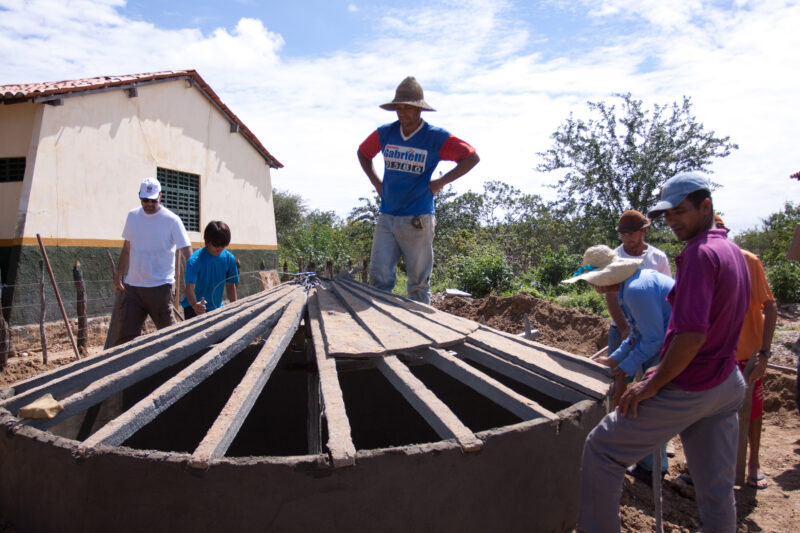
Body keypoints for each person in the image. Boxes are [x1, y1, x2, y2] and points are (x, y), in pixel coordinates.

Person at [577, 173, 750, 532]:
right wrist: (619, 362)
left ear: (706, 206)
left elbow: (687, 336)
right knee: (716, 491)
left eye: (680, 211)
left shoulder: (698, 255)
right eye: (666, 214)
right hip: (726, 381)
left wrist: (651, 384)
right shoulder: (729, 249)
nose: (671, 220)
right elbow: (642, 335)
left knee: (602, 449)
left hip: (693, 382)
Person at [357, 76, 479, 304]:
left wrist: (440, 183)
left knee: (418, 283)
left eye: (408, 107)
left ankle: (421, 332)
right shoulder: (386, 133)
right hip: (387, 216)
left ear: (419, 109)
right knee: (379, 278)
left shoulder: (434, 137)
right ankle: (381, 327)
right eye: (399, 107)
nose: (402, 112)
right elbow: (363, 152)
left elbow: (471, 157)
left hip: (418, 218)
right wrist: (376, 182)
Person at [564, 244, 674, 486]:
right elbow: (635, 332)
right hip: (665, 341)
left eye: (593, 281)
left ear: (605, 277)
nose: (592, 287)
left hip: (674, 346)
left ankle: (652, 469)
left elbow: (654, 338)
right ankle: (648, 464)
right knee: (646, 403)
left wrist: (626, 366)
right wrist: (615, 359)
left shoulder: (636, 290)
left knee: (649, 404)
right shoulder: (628, 288)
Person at [715, 214, 777, 489]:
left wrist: (764, 353)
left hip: (748, 354)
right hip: (718, 356)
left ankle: (753, 463)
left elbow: (770, 307)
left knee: (753, 412)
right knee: (716, 414)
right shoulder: (703, 264)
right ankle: (722, 465)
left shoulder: (749, 261)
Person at [114, 177, 192, 345]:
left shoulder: (172, 220)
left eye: (152, 200)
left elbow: (186, 250)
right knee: (126, 339)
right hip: (133, 287)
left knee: (169, 337)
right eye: (145, 200)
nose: (149, 204)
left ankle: (178, 367)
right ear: (140, 197)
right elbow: (127, 248)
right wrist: (119, 273)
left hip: (161, 288)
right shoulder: (133, 216)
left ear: (160, 197)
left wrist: (193, 280)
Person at [606, 210, 671, 355]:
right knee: (616, 374)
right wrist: (624, 328)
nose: (626, 238)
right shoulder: (614, 259)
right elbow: (611, 297)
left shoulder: (658, 258)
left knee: (650, 375)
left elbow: (667, 297)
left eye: (630, 234)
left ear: (643, 231)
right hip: (621, 327)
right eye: (623, 234)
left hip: (652, 330)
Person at [181, 221, 239, 319]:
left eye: (223, 244)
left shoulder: (229, 259)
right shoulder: (195, 260)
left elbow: (230, 286)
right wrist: (195, 305)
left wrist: (235, 308)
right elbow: (189, 288)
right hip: (194, 308)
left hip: (216, 308)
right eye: (216, 244)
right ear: (208, 241)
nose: (220, 248)